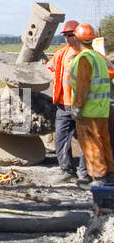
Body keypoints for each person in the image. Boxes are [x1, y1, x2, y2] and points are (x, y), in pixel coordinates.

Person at [68, 23, 114, 186]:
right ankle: (109, 175)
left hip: (89, 111)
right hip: (102, 110)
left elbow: (82, 87)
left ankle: (98, 178)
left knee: (91, 144)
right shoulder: (99, 58)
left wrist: (77, 108)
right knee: (104, 142)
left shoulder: (84, 59)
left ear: (77, 38)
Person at [46, 19, 89, 183]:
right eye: (65, 35)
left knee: (86, 140)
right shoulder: (61, 54)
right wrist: (53, 76)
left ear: (78, 35)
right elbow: (50, 67)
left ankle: (85, 173)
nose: (68, 38)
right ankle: (67, 171)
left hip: (84, 106)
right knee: (61, 138)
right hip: (63, 105)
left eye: (71, 35)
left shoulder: (88, 54)